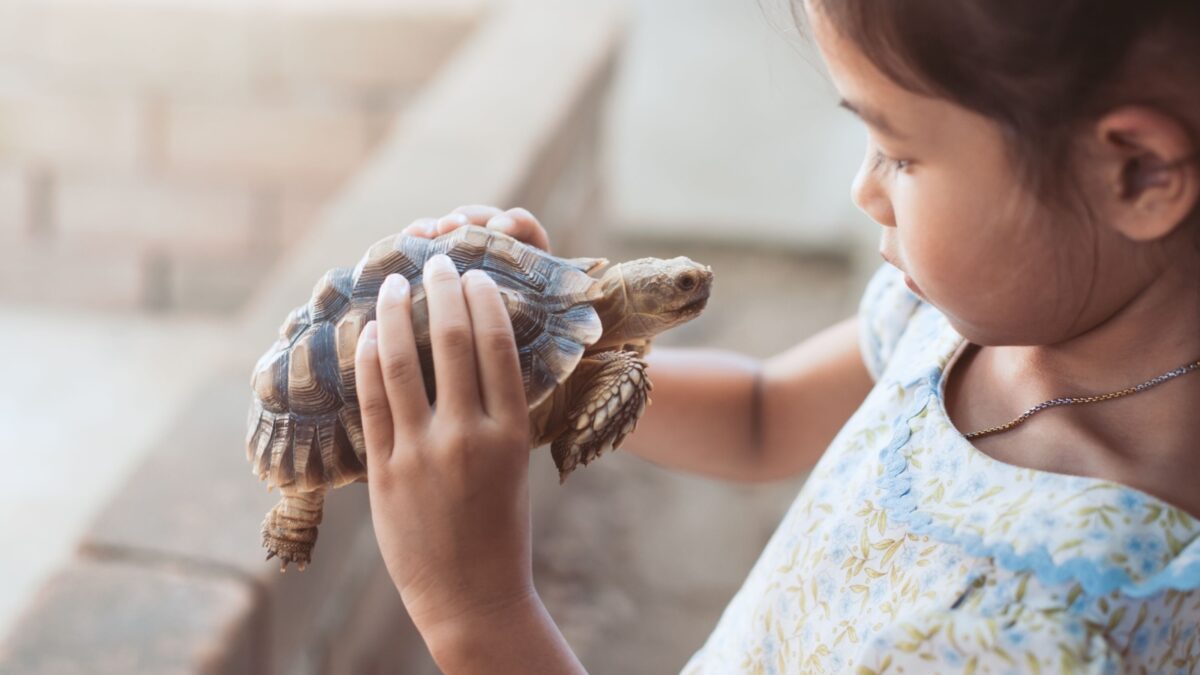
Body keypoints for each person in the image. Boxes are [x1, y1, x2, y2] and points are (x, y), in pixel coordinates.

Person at [351, 0, 1200, 671]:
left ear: (1139, 172)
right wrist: (555, 347)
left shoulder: (1036, 631)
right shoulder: (955, 322)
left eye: (900, 153)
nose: (863, 188)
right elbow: (763, 413)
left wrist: (479, 614)